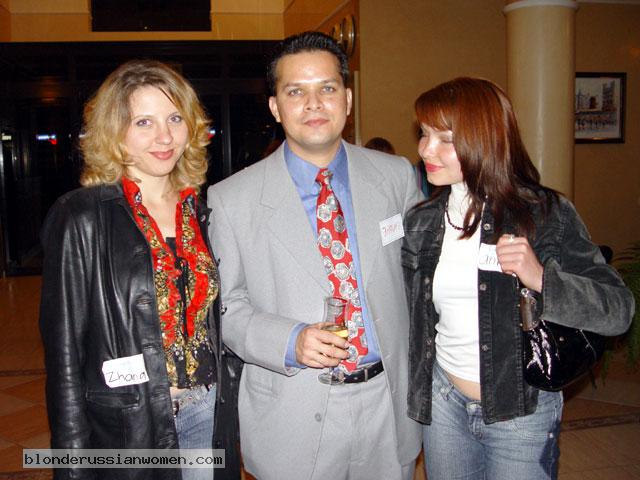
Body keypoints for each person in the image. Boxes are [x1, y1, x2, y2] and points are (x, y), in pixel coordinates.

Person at [207, 31, 423, 480]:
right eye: (295, 92)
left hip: (387, 405)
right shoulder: (231, 199)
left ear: (347, 99)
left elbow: (422, 278)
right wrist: (289, 341)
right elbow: (224, 307)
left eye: (326, 88)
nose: (313, 104)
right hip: (292, 411)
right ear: (275, 107)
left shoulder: (396, 177)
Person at [402, 77, 635, 479]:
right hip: (443, 405)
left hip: (521, 409)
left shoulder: (544, 214)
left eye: (445, 139)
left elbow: (619, 310)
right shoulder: (422, 222)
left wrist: (542, 278)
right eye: (424, 134)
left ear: (484, 141)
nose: (425, 149)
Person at [39, 59, 240, 480]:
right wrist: (72, 466)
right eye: (143, 122)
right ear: (115, 131)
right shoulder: (82, 217)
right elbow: (64, 358)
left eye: (175, 119)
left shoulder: (201, 212)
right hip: (130, 426)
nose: (164, 137)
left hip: (206, 409)